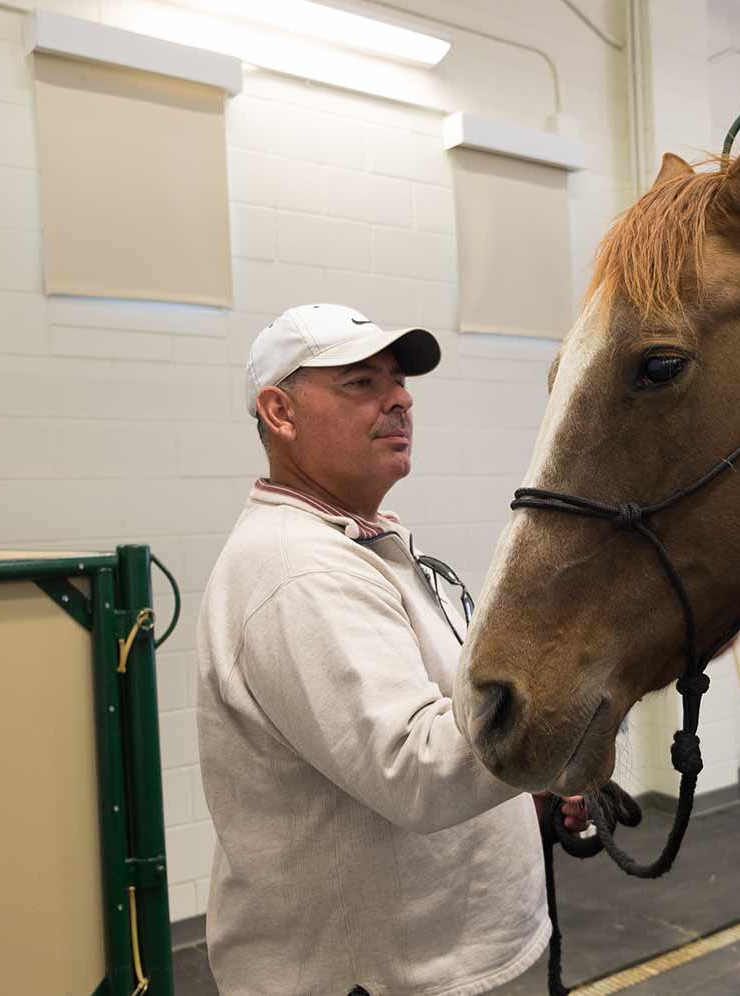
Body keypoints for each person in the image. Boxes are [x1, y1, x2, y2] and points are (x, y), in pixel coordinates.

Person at [197, 303, 583, 995]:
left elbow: (449, 713)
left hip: (445, 962)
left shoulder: (364, 542)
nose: (400, 398)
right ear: (279, 412)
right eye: (361, 383)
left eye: (400, 381)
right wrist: (576, 687)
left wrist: (536, 782)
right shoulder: (298, 571)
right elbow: (419, 770)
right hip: (384, 979)